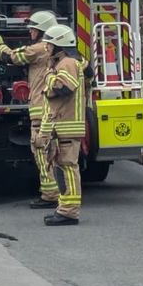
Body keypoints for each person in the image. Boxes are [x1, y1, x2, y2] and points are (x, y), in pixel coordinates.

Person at [0, 10, 59, 208]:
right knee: (55, 152)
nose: (30, 32)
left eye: (33, 29)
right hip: (56, 108)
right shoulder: (57, 49)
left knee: (40, 150)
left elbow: (12, 56)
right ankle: (57, 192)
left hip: (40, 108)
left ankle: (49, 194)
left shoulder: (39, 49)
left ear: (42, 31)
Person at [36, 25, 88, 226]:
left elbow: (63, 88)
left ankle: (69, 212)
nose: (46, 47)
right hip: (62, 126)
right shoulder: (64, 62)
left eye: (49, 43)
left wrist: (48, 78)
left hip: (67, 126)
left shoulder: (67, 63)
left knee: (67, 168)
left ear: (59, 44)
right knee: (61, 168)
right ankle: (64, 208)